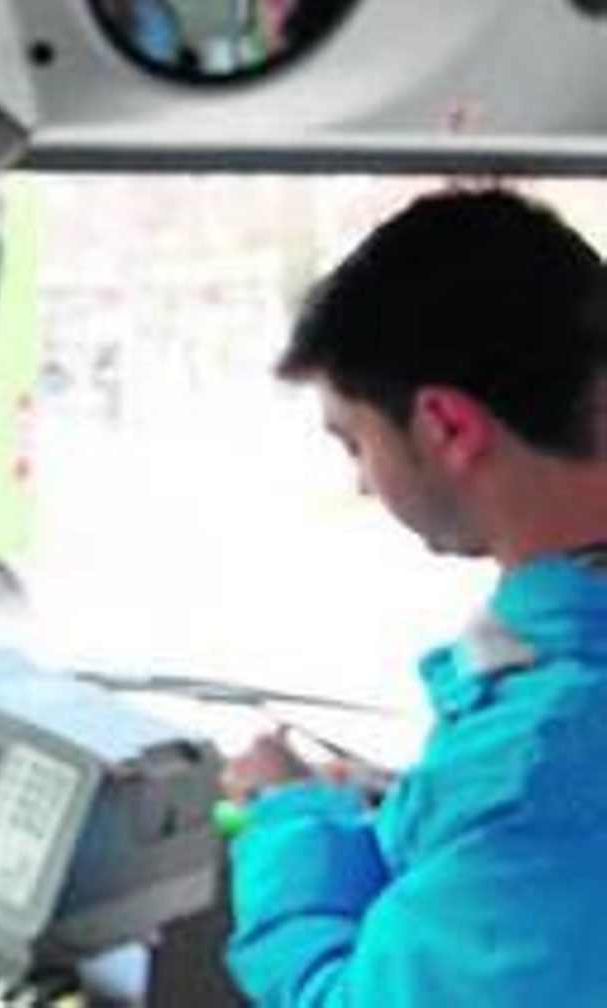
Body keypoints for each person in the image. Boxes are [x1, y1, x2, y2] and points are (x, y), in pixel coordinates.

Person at [223, 187, 607, 1005]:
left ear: (447, 426)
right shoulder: (547, 690)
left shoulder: (547, 762)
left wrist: (287, 815)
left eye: (354, 442)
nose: (363, 484)